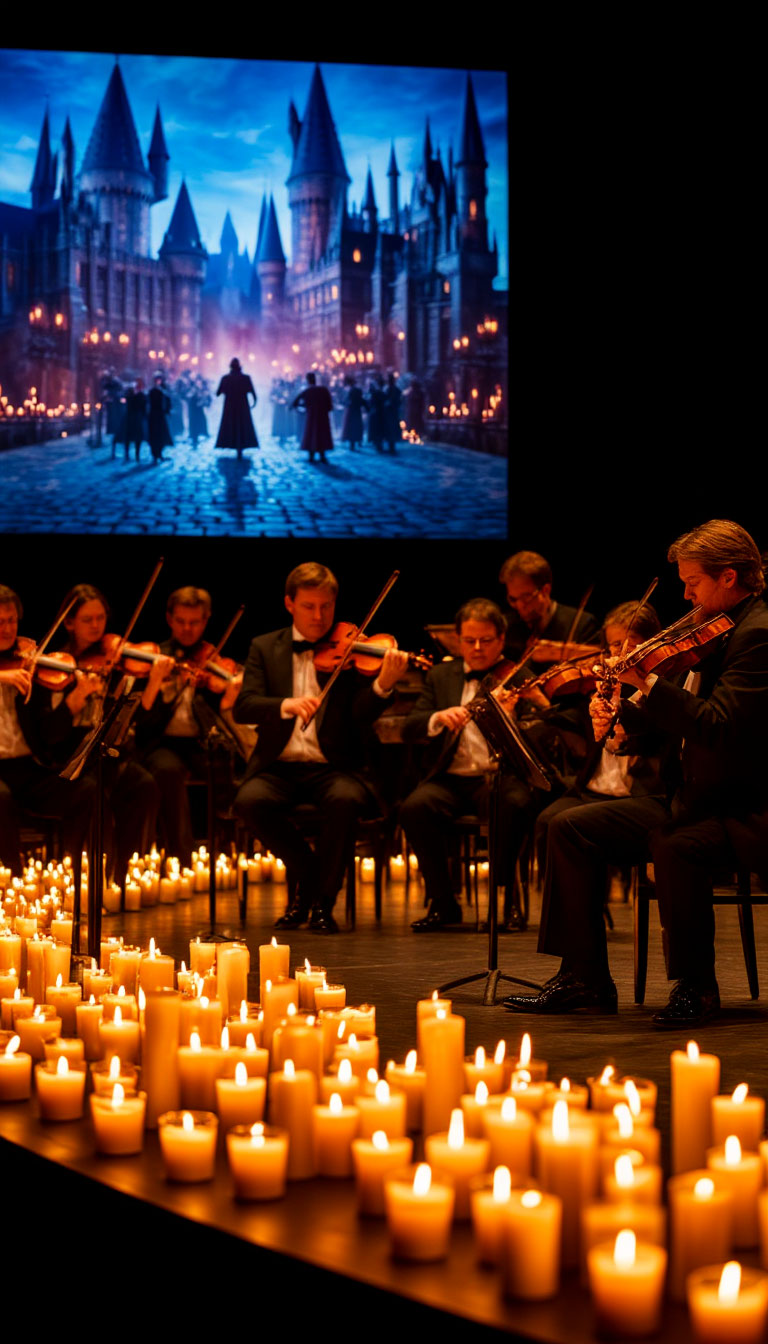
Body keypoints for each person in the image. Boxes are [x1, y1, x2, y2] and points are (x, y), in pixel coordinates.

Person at [504, 520, 768, 1027]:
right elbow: (678, 721)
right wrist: (623, 722)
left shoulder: (757, 636)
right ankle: (583, 978)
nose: (686, 594)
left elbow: (717, 725)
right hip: (690, 799)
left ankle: (696, 988)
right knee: (568, 826)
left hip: (740, 809)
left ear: (729, 577)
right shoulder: (708, 627)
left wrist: (644, 681)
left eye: (693, 582)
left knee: (675, 843)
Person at [232, 562, 409, 932]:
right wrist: (286, 704)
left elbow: (361, 716)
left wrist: (383, 686)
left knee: (345, 801)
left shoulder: (350, 647)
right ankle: (311, 875)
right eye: (309, 606)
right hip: (278, 766)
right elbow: (244, 706)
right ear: (289, 604)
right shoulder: (264, 647)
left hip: (335, 766)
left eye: (326, 606)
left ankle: (321, 905)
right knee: (249, 801)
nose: (319, 616)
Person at [400, 599, 525, 929]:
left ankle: (505, 901)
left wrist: (511, 718)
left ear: (501, 639)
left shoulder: (518, 674)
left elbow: (542, 732)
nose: (477, 648)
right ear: (458, 640)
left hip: (500, 777)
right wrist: (438, 718)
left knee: (513, 804)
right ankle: (443, 903)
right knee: (414, 808)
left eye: (486, 640)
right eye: (469, 641)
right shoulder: (441, 675)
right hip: (451, 778)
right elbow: (410, 726)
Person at [39, 585, 162, 889]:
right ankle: (86, 878)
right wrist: (78, 695)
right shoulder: (57, 666)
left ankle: (122, 875)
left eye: (101, 618)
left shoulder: (115, 662)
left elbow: (135, 719)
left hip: (110, 755)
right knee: (94, 793)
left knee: (144, 785)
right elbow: (50, 734)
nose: (96, 626)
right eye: (87, 619)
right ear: (69, 623)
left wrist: (149, 681)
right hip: (72, 759)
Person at [137, 587, 243, 865]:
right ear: (169, 619)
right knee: (167, 769)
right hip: (162, 742)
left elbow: (222, 712)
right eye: (181, 621)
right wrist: (159, 684)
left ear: (206, 621)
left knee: (225, 758)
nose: (187, 628)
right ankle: (181, 855)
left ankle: (226, 845)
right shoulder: (157, 659)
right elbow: (143, 723)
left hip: (200, 741)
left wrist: (224, 689)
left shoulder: (213, 660)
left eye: (195, 622)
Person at [0, 584, 96, 878]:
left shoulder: (29, 660)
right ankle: (11, 883)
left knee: (85, 790)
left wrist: (76, 697)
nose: (7, 629)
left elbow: (47, 731)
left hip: (29, 767)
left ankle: (73, 876)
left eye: (12, 620)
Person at [499, 551, 599, 661]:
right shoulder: (506, 626)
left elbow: (599, 658)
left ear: (545, 590)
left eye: (526, 597)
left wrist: (558, 652)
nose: (519, 606)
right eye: (513, 599)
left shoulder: (582, 624)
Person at [215, 358, 258, 459]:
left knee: (231, 426)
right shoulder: (246, 378)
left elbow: (217, 393)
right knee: (243, 426)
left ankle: (232, 444)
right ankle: (241, 446)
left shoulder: (225, 378)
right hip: (243, 407)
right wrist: (254, 403)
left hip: (230, 407)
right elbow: (253, 393)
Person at [291, 373, 333, 464]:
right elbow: (330, 406)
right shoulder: (323, 390)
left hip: (311, 418)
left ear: (307, 380)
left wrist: (302, 410)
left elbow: (294, 403)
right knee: (321, 435)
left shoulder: (307, 391)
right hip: (322, 418)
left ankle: (312, 456)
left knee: (312, 435)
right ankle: (322, 455)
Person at [147, 374, 172, 463]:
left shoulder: (162, 391)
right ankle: (155, 454)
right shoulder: (151, 391)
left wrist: (167, 410)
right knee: (154, 436)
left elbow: (167, 402)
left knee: (161, 435)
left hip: (160, 416)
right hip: (153, 416)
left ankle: (159, 454)